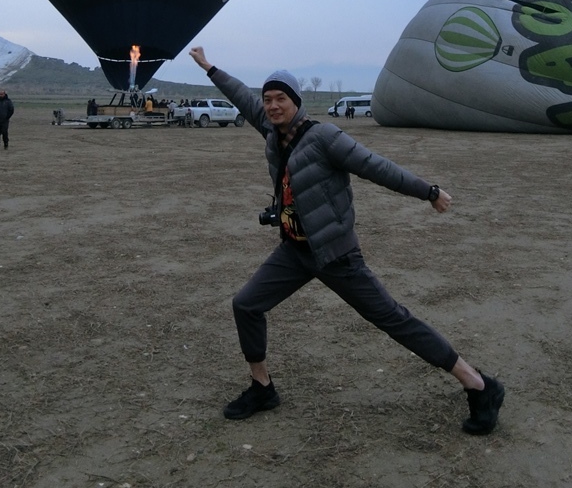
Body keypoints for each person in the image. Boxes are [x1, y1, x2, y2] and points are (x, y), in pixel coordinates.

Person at [188, 46, 505, 434]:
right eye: (267, 100)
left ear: (296, 102)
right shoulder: (272, 131)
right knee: (246, 305)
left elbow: (377, 167)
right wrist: (210, 68)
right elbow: (240, 95)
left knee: (393, 319)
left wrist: (428, 191)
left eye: (280, 99)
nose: (272, 106)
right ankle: (262, 387)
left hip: (336, 255)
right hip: (295, 251)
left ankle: (479, 384)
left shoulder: (324, 137)